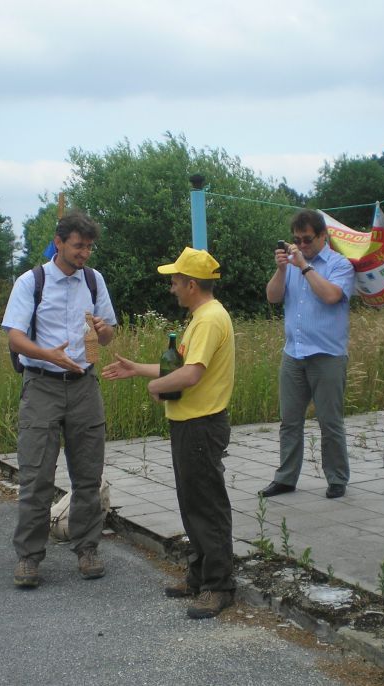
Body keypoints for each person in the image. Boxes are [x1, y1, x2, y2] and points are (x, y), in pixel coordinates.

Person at [102, 247, 236, 620]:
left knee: (207, 505)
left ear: (192, 284)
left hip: (201, 425)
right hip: (190, 423)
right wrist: (138, 369)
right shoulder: (201, 317)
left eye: (176, 281)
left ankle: (219, 586)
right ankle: (199, 576)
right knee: (193, 504)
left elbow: (191, 374)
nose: (172, 288)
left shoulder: (209, 320)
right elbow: (177, 366)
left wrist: (155, 387)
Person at [2, 210, 117, 588]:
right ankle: (29, 558)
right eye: (78, 246)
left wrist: (104, 331)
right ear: (60, 242)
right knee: (36, 477)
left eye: (89, 247)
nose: (85, 253)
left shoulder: (95, 281)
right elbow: (15, 338)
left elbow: (108, 335)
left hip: (84, 385)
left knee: (88, 475)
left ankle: (87, 549)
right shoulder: (31, 282)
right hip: (42, 385)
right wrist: (47, 354)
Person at [259, 209, 355, 500]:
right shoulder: (290, 265)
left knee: (330, 421)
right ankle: (286, 478)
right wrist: (281, 269)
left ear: (323, 236)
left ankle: (337, 478)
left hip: (327, 354)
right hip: (294, 353)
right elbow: (272, 297)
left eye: (308, 240)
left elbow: (330, 296)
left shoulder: (340, 265)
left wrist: (303, 267)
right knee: (289, 421)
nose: (301, 246)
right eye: (296, 240)